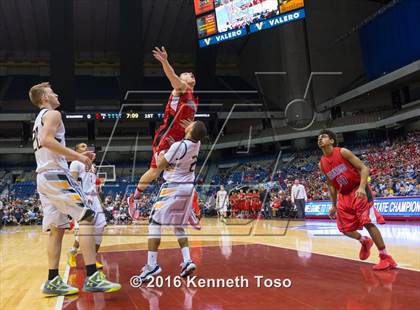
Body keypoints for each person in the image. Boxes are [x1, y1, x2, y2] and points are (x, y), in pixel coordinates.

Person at [29, 82, 120, 296]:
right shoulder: (53, 114)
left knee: (57, 230)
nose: (56, 94)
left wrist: (75, 154)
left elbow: (48, 144)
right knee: (87, 217)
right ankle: (92, 276)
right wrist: (78, 156)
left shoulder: (38, 119)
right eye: (52, 92)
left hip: (43, 176)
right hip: (56, 175)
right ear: (44, 98)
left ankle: (52, 280)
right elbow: (46, 140)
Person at [128, 47, 198, 217]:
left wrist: (192, 125)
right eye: (186, 74)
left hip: (181, 140)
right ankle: (134, 198)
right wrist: (165, 61)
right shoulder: (181, 89)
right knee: (157, 169)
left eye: (191, 73)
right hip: (167, 137)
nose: (190, 73)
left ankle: (188, 210)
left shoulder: (194, 98)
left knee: (183, 174)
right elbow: (173, 77)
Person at [135, 121, 207, 283]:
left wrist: (160, 152)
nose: (187, 124)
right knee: (178, 225)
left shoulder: (178, 146)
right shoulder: (197, 143)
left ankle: (151, 265)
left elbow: (160, 165)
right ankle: (188, 260)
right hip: (188, 188)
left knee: (154, 222)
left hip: (173, 187)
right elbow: (194, 136)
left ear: (190, 129)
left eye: (191, 124)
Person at [317, 129, 397, 270]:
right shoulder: (322, 163)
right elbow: (331, 185)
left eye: (323, 137)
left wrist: (361, 187)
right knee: (345, 229)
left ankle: (386, 257)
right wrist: (333, 205)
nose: (319, 139)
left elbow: (364, 168)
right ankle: (364, 241)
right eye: (318, 138)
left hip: (358, 189)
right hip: (344, 195)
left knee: (367, 222)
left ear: (331, 141)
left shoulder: (342, 152)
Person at [67, 144, 107, 269]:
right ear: (76, 150)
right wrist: (77, 200)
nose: (86, 148)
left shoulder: (92, 166)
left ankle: (92, 258)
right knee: (83, 230)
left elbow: (94, 186)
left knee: (100, 226)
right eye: (83, 147)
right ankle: (72, 253)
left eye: (86, 146)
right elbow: (73, 182)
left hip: (94, 197)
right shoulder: (75, 163)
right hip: (83, 197)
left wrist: (100, 202)